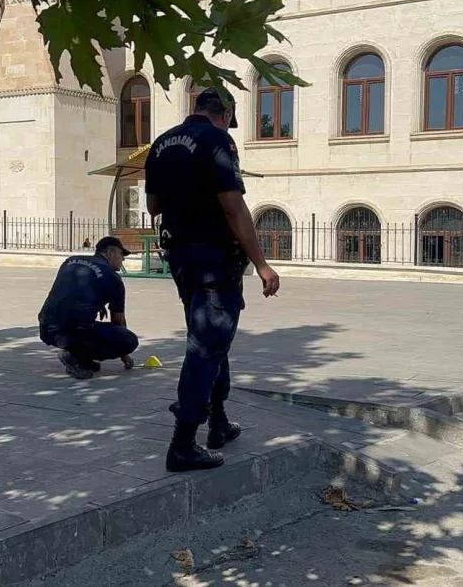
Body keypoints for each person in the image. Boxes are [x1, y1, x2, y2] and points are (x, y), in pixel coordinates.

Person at [144, 87, 281, 473]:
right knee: (206, 347)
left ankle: (218, 423)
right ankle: (183, 442)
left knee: (210, 338)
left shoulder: (161, 143)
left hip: (181, 259)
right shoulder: (218, 140)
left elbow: (154, 206)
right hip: (214, 259)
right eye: (229, 119)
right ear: (224, 113)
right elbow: (232, 205)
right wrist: (263, 264)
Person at [38, 237, 139, 380]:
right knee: (129, 339)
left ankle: (83, 359)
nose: (123, 259)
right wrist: (124, 353)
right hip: (73, 333)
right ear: (110, 253)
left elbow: (71, 291)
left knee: (80, 323)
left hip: (47, 328)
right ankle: (74, 356)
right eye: (121, 255)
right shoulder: (113, 279)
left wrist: (99, 304)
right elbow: (118, 321)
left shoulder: (71, 261)